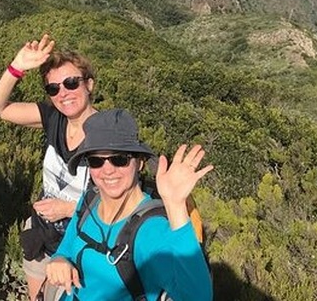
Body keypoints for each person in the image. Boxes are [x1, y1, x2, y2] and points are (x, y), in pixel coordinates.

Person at [45, 109, 214, 301]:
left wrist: (175, 205)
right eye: (96, 161)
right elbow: (66, 248)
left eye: (119, 159)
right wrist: (59, 260)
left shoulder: (150, 229)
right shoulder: (89, 201)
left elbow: (197, 297)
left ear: (139, 163)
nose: (108, 170)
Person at [0, 34, 98, 301]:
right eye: (53, 88)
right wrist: (17, 66)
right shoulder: (52, 118)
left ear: (89, 84)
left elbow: (122, 201)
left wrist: (69, 208)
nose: (64, 93)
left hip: (83, 245)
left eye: (71, 83)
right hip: (42, 236)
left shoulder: (107, 133)